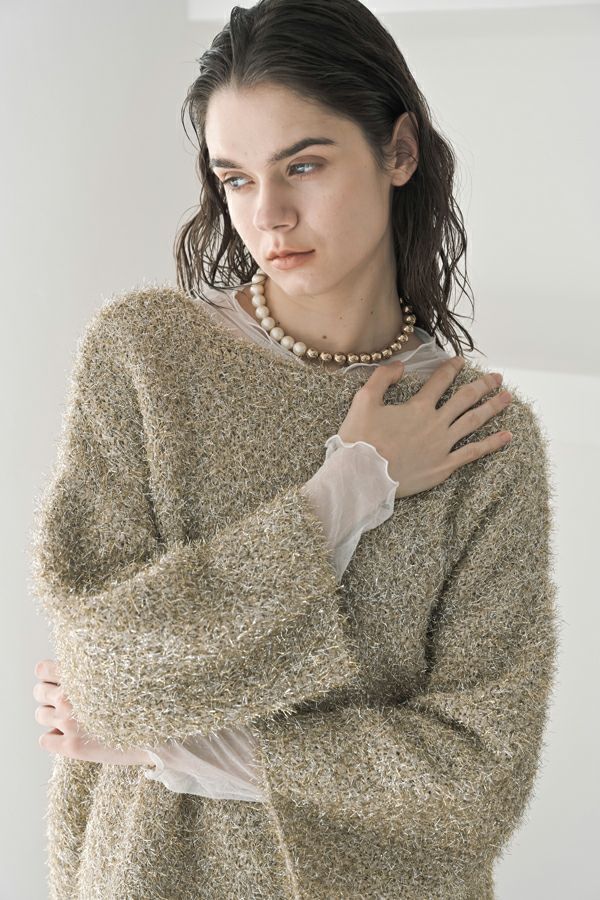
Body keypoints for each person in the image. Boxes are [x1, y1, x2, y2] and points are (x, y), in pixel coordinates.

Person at [31, 1, 559, 897]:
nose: (268, 215)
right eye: (235, 179)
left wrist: (178, 744)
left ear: (399, 151)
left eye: (303, 165)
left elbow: (477, 779)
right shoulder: (147, 358)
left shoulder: (482, 437)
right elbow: (104, 671)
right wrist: (351, 487)